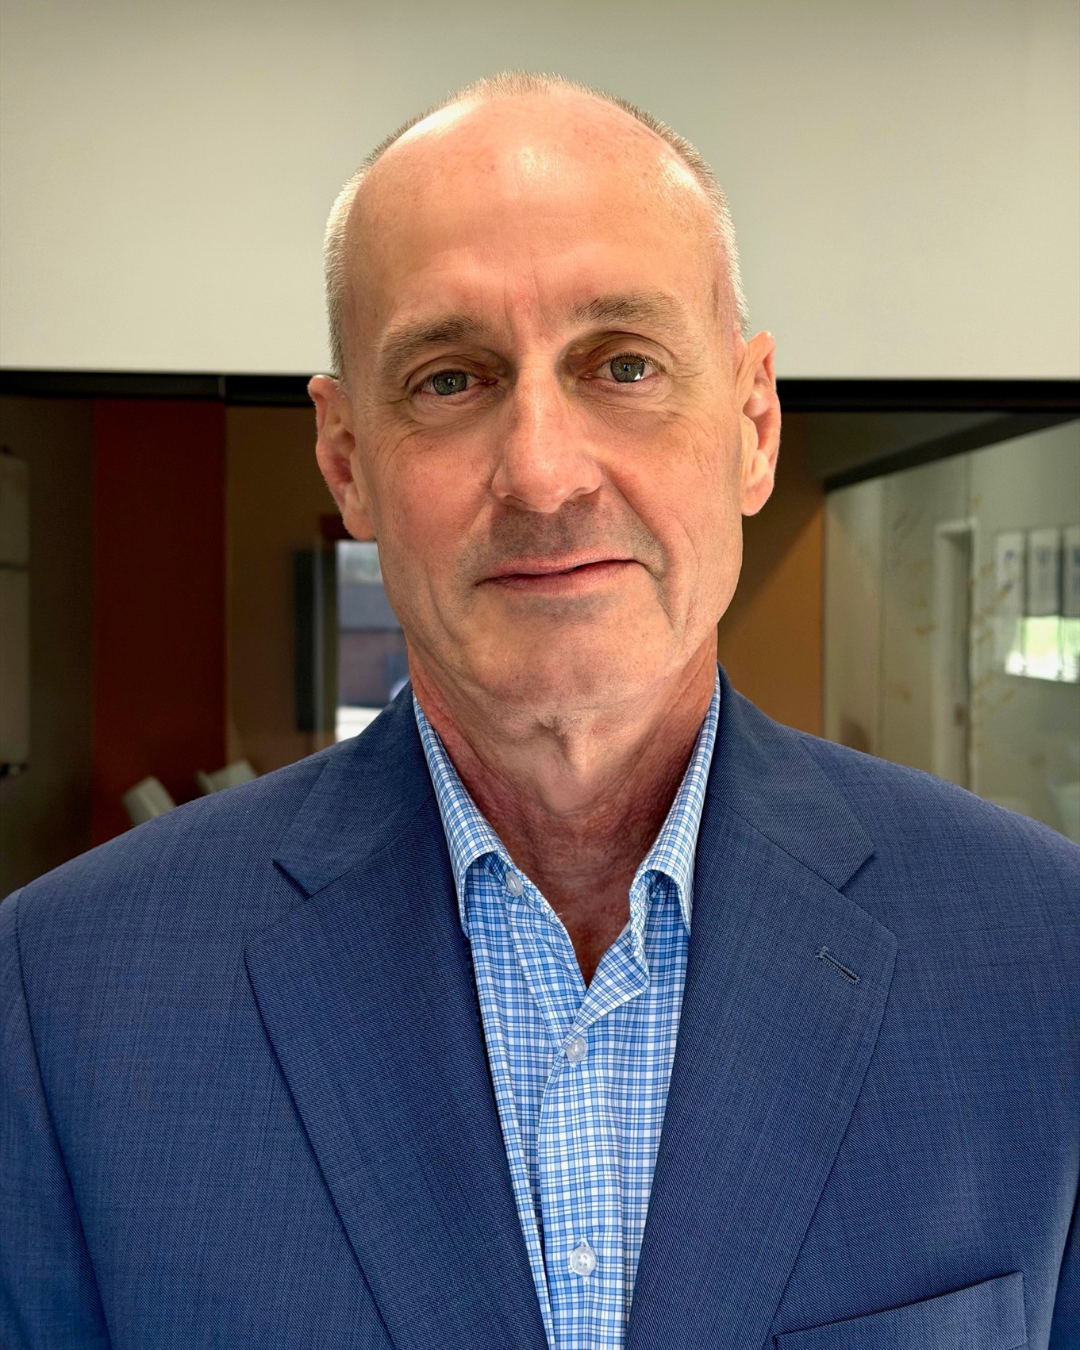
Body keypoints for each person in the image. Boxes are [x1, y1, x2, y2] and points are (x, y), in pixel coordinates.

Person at [1, 70, 1076, 1350]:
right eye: (451, 380)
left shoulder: (1044, 955)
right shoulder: (68, 997)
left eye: (623, 363)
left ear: (751, 422)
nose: (545, 472)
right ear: (347, 462)